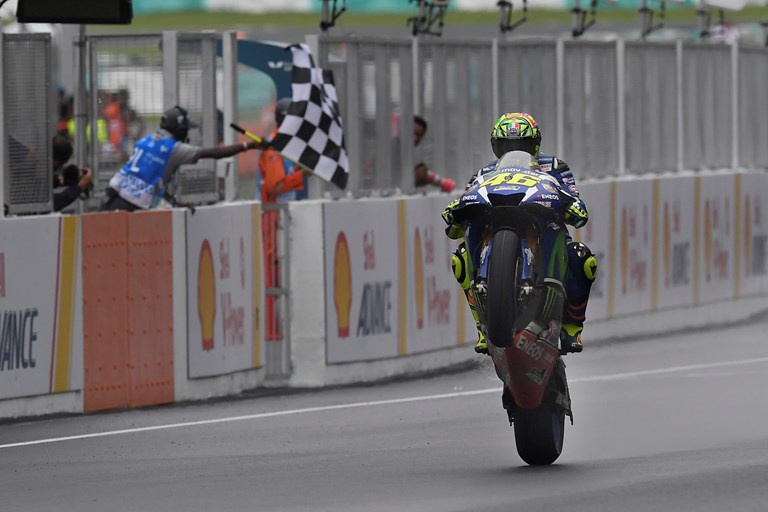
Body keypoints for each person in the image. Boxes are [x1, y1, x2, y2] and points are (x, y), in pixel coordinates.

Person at [442, 112, 597, 355]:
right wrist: (457, 209)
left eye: (521, 145)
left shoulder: (555, 166)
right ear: (496, 146)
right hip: (497, 226)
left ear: (534, 145)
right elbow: (466, 201)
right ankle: (482, 326)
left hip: (545, 229)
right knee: (460, 257)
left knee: (582, 258)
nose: (513, 150)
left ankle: (572, 328)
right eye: (506, 145)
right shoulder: (484, 173)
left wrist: (573, 204)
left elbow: (572, 197)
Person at [100, 105, 264, 212]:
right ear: (179, 128)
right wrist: (247, 146)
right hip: (133, 208)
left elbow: (152, 182)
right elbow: (215, 153)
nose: (186, 133)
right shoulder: (174, 148)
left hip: (113, 200)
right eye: (185, 129)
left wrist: (175, 202)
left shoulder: (146, 140)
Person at [259, 98, 311, 340]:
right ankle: (271, 333)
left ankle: (282, 331)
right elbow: (275, 185)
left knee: (287, 276)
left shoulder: (288, 146)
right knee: (273, 277)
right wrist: (302, 175)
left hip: (284, 219)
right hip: (272, 220)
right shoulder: (274, 148)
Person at [412, 115, 456, 193]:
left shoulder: (415, 155)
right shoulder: (392, 151)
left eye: (418, 135)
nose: (415, 137)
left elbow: (423, 175)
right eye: (413, 133)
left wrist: (442, 182)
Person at [52, 135, 93, 212]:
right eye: (62, 164)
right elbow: (54, 203)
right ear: (56, 162)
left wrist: (61, 181)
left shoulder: (36, 170)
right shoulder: (33, 174)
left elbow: (46, 181)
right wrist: (79, 187)